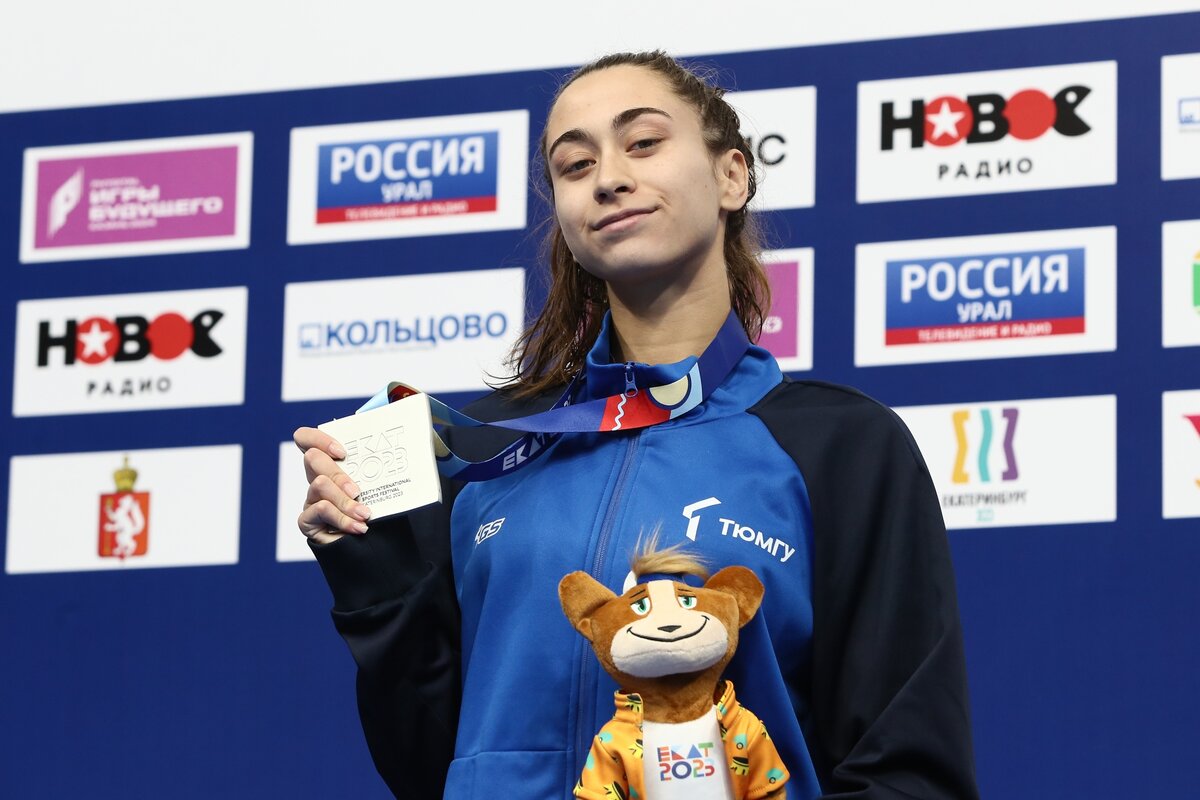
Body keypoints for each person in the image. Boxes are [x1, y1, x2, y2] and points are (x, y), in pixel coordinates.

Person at [295, 51, 980, 800]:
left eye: (644, 142)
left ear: (732, 176)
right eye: (575, 164)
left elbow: (906, 768)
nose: (609, 178)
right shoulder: (485, 456)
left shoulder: (841, 446)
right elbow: (430, 763)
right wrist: (371, 570)